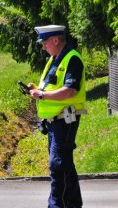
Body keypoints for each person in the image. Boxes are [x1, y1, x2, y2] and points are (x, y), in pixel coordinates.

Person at [28, 25, 86, 208]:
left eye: (45, 43)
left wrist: (42, 95)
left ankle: (56, 206)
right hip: (53, 122)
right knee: (64, 164)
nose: (43, 47)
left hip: (65, 120)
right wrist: (37, 91)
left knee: (57, 165)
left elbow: (69, 91)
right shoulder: (54, 59)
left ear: (55, 40)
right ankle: (74, 204)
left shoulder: (72, 59)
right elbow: (50, 87)